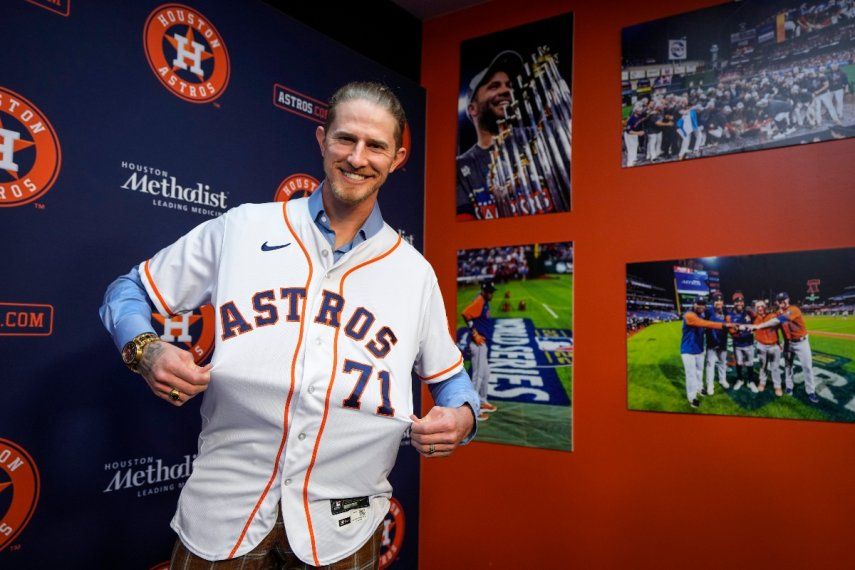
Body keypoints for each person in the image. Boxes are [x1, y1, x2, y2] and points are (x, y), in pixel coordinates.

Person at [100, 81, 480, 568]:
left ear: (398, 157)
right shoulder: (243, 228)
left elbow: (451, 379)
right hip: (226, 509)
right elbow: (128, 290)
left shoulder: (414, 272)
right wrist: (146, 349)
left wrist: (462, 419)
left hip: (346, 522)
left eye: (376, 146)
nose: (358, 157)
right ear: (321, 139)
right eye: (345, 139)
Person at [456, 51, 523, 220]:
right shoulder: (461, 166)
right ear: (472, 109)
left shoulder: (541, 137)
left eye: (509, 85)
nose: (506, 90)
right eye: (494, 86)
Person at [754, 292, 818, 402]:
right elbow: (775, 325)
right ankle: (789, 387)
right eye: (780, 300)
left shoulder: (794, 309)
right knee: (788, 366)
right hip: (788, 343)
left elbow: (777, 321)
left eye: (784, 299)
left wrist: (759, 326)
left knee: (807, 367)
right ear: (777, 302)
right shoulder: (778, 312)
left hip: (801, 343)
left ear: (788, 299)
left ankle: (811, 391)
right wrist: (780, 342)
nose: (782, 302)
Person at [680, 297, 735, 408]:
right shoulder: (689, 315)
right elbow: (705, 323)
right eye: (698, 303)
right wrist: (723, 325)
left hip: (699, 349)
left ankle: (700, 388)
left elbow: (716, 314)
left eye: (703, 304)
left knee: (700, 371)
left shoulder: (702, 314)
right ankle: (692, 397)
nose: (701, 306)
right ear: (693, 304)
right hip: (688, 350)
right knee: (691, 375)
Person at [461, 281, 498, 419]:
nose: (491, 294)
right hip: (478, 344)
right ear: (484, 291)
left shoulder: (483, 300)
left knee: (486, 374)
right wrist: (474, 333)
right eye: (489, 291)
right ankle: (472, 410)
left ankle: (482, 401)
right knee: (478, 376)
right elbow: (465, 313)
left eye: (492, 291)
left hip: (483, 344)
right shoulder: (480, 300)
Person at [750, 300, 784, 395]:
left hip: (774, 345)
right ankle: (762, 382)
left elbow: (782, 324)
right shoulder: (754, 318)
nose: (760, 308)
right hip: (761, 345)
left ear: (766, 306)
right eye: (758, 307)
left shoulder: (773, 315)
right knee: (762, 366)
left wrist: (780, 341)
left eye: (762, 306)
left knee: (775, 367)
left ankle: (777, 386)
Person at [727, 292, 758, 393]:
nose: (739, 303)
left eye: (741, 301)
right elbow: (730, 331)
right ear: (734, 303)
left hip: (749, 343)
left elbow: (757, 321)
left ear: (743, 302)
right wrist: (736, 330)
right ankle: (740, 380)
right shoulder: (730, 315)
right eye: (737, 301)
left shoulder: (749, 313)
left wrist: (754, 329)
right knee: (739, 363)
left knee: (750, 363)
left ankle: (750, 381)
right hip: (738, 345)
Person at [703, 293, 729, 394]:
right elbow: (705, 326)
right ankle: (710, 385)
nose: (718, 302)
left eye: (720, 300)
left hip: (723, 341)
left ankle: (722, 380)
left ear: (722, 302)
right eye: (716, 300)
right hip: (711, 342)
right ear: (713, 302)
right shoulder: (708, 312)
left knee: (722, 362)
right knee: (710, 364)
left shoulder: (726, 311)